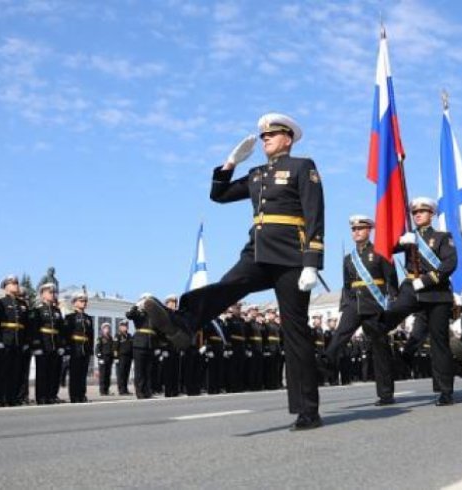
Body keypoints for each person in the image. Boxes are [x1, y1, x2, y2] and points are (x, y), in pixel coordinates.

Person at [139, 113, 325, 430]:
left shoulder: (302, 167)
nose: (265, 138)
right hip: (258, 251)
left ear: (287, 139)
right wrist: (230, 163)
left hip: (292, 256)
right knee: (227, 286)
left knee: (295, 332)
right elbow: (220, 196)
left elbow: (314, 213)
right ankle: (182, 323)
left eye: (272, 134)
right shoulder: (255, 174)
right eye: (262, 135)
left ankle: (308, 410)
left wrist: (312, 262)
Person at [320, 215, 400, 405]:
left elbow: (391, 281)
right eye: (354, 229)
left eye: (360, 229)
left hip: (375, 305)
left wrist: (392, 307)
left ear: (369, 230)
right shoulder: (348, 259)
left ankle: (386, 394)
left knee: (380, 350)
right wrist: (345, 306)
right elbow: (347, 285)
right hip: (354, 305)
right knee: (339, 336)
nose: (356, 232)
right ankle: (323, 367)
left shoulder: (381, 252)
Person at [0, 275, 30, 406]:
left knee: (16, 370)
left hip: (18, 341)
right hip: (5, 340)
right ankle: (2, 397)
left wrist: (25, 341)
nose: (16, 285)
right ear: (6, 286)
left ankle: (13, 397)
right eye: (13, 283)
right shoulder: (0, 302)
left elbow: (26, 325)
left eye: (16, 283)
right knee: (4, 371)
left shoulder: (22, 304)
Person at [30, 283, 65, 405]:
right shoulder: (38, 310)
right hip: (43, 344)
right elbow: (34, 329)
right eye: (50, 292)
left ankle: (52, 395)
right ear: (42, 294)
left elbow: (61, 330)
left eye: (54, 292)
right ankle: (41, 396)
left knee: (54, 371)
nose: (53, 294)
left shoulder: (57, 311)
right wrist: (37, 345)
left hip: (55, 344)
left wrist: (61, 346)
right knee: (42, 372)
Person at [64, 292, 93, 403]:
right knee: (75, 374)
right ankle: (74, 396)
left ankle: (82, 395)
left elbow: (90, 335)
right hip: (74, 347)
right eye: (81, 301)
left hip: (85, 348)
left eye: (85, 301)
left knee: (83, 374)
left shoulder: (88, 318)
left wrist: (90, 350)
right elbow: (66, 334)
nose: (84, 303)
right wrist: (67, 349)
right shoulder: (70, 317)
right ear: (74, 302)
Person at [114, 319, 133, 395]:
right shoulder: (118, 335)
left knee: (126, 374)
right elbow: (115, 347)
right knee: (121, 374)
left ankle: (125, 389)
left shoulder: (129, 336)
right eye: (123, 326)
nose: (125, 327)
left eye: (126, 326)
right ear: (120, 327)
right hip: (121, 357)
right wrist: (116, 358)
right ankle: (121, 390)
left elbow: (131, 346)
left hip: (128, 357)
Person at [95, 323, 114, 396]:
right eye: (105, 328)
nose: (107, 329)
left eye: (108, 328)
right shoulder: (100, 338)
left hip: (109, 358)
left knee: (108, 375)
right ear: (102, 329)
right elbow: (97, 348)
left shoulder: (110, 338)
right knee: (103, 375)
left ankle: (107, 389)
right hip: (103, 358)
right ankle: (102, 391)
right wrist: (99, 357)